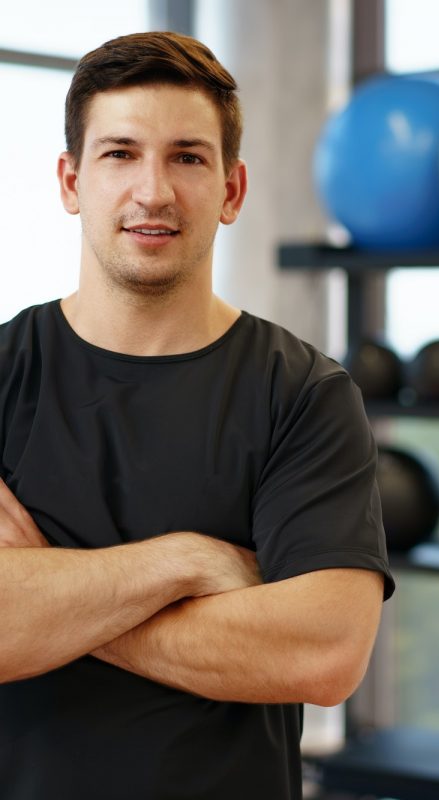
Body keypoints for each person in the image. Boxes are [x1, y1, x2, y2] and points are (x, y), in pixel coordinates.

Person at [0, 31, 394, 800]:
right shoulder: (4, 376)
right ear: (70, 181)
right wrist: (184, 561)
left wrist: (48, 599)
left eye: (187, 156)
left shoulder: (304, 395)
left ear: (233, 189)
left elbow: (323, 655)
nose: (153, 191)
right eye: (120, 154)